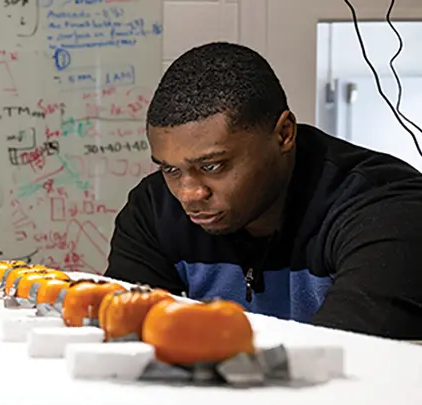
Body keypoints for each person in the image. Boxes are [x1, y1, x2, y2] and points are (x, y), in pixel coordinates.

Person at [105, 41, 422, 340]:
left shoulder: (385, 209)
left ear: (284, 134)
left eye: (212, 166)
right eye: (170, 169)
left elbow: (344, 362)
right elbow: (130, 347)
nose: (189, 194)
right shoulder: (154, 210)